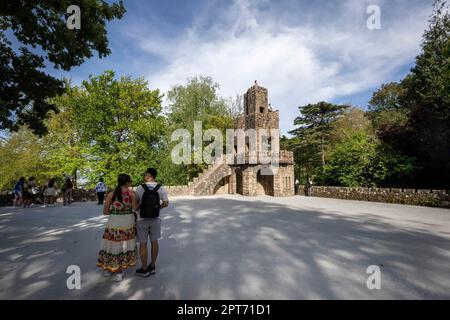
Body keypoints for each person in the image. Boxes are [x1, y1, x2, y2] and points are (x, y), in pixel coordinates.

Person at [97, 174, 138, 282]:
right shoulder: (132, 194)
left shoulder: (111, 194)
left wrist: (116, 212)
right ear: (128, 182)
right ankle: (119, 271)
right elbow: (135, 209)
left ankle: (110, 268)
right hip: (127, 223)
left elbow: (105, 212)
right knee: (123, 246)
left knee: (111, 245)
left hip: (113, 222)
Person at [134, 168, 169, 277]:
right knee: (154, 242)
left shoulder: (140, 188)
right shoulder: (160, 188)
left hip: (141, 219)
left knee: (143, 244)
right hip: (156, 218)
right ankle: (152, 266)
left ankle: (144, 269)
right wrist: (157, 208)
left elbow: (135, 206)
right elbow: (166, 203)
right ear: (155, 176)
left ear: (147, 175)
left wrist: (139, 209)